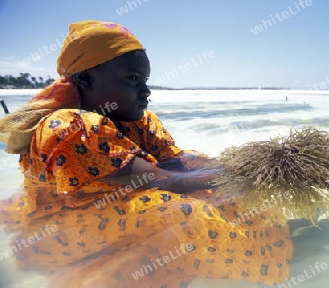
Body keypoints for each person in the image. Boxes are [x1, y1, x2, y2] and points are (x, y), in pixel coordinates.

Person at [0, 20, 292, 287]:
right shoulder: (69, 126)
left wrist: (269, 164)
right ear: (86, 80)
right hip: (59, 232)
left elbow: (177, 160)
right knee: (189, 210)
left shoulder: (141, 121)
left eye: (145, 80)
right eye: (133, 79)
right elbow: (160, 180)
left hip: (109, 214)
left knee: (229, 197)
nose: (146, 91)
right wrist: (251, 176)